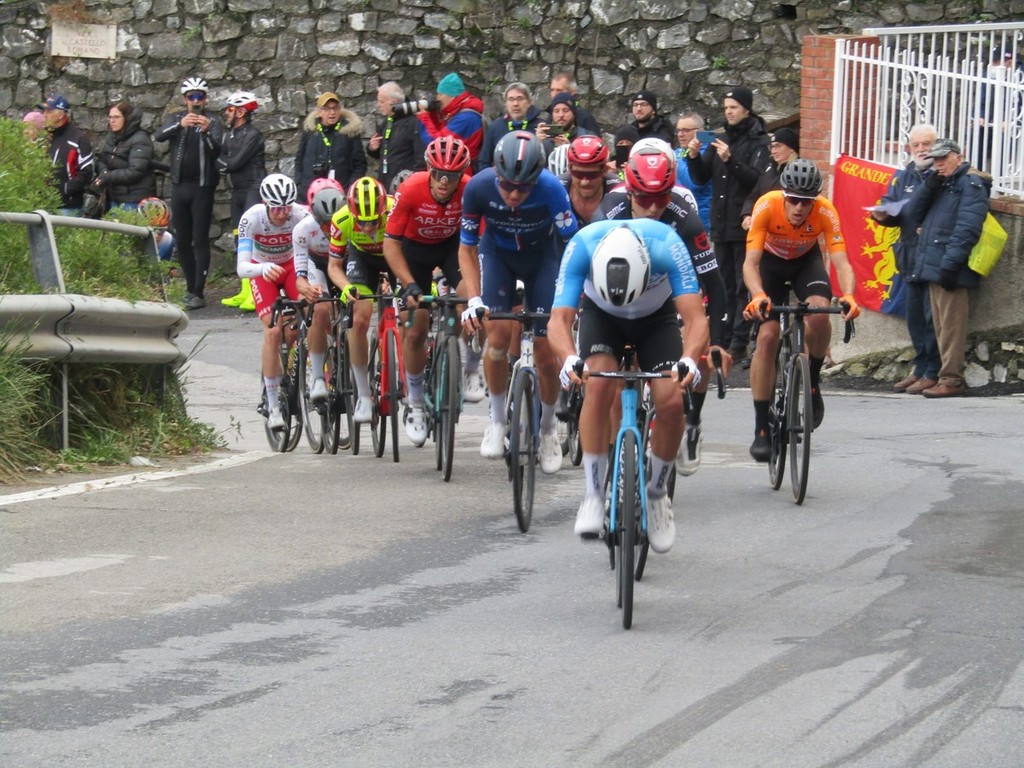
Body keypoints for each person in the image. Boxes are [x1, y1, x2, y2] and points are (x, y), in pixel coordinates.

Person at [548, 220, 708, 552]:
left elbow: (696, 319)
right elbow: (559, 319)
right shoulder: (582, 246)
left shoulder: (667, 245)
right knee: (597, 385)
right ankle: (593, 494)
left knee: (672, 401)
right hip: (601, 316)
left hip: (656, 319)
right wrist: (568, 357)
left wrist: (690, 359)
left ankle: (657, 493)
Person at [594, 140, 728, 476]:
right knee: (610, 385)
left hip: (663, 296)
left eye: (661, 197)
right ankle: (615, 462)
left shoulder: (684, 214)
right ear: (629, 191)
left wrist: (717, 342)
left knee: (678, 378)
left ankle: (685, 428)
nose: (654, 207)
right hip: (615, 301)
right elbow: (584, 273)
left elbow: (714, 283)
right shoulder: (609, 209)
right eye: (644, 198)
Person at [458, 131, 578, 471]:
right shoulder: (478, 188)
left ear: (536, 180)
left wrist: (573, 294)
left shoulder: (552, 189)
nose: (513, 194)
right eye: (507, 185)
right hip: (498, 257)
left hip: (543, 260)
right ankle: (497, 420)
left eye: (523, 188)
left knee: (546, 352)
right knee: (496, 340)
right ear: (496, 173)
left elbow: (574, 246)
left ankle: (548, 427)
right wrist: (474, 298)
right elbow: (466, 249)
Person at [742, 159, 861, 461]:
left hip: (805, 264)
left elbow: (841, 262)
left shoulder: (825, 212)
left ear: (815, 200)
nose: (799, 207)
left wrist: (849, 295)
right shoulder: (766, 205)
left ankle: (813, 380)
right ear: (784, 194)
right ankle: (761, 425)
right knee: (767, 337)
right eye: (793, 199)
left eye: (806, 201)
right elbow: (750, 264)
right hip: (769, 266)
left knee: (819, 313)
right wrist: (758, 295)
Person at [380, 137, 482, 446]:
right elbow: (390, 244)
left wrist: (476, 292)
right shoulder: (411, 188)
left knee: (471, 301)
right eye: (438, 174)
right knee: (417, 326)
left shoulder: (470, 190)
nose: (443, 181)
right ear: (428, 169)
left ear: (461, 175)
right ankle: (415, 402)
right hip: (414, 254)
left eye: (451, 176)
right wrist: (408, 283)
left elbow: (480, 243)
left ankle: (470, 368)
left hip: (452, 249)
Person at [685, 85, 772, 361]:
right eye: (725, 108)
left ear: (746, 109)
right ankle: (719, 337)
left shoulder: (759, 141)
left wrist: (730, 160)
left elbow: (756, 181)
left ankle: (739, 339)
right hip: (720, 224)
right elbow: (701, 178)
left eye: (733, 107)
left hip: (744, 222)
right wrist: (693, 156)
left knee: (742, 284)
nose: (729, 112)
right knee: (721, 283)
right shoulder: (719, 138)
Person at [900, 138, 990, 398]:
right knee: (939, 326)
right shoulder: (942, 182)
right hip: (934, 264)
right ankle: (942, 376)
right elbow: (912, 213)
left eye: (943, 158)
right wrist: (930, 184)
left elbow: (967, 228)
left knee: (950, 328)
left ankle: (951, 379)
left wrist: (950, 265)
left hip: (950, 266)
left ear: (959, 157)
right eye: (936, 160)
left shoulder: (970, 184)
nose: (938, 164)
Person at [234, 173, 314, 430]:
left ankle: (299, 367)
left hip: (291, 268)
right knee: (272, 331)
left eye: (287, 207)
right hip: (262, 270)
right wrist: (262, 268)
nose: (282, 214)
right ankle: (272, 404)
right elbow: (241, 267)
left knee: (308, 314)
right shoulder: (252, 218)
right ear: (266, 204)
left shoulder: (301, 214)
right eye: (277, 208)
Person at [870, 124, 940, 394]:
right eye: (916, 145)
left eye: (927, 144)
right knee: (915, 317)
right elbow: (892, 206)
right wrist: (882, 215)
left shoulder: (942, 173)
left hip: (933, 256)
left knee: (932, 317)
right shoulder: (904, 175)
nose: (921, 149)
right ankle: (920, 369)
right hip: (909, 255)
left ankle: (933, 371)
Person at [326, 176, 395, 424]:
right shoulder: (341, 219)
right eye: (362, 222)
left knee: (411, 308)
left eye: (374, 221)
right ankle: (364, 395)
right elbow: (334, 266)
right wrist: (346, 287)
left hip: (394, 252)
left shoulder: (396, 209)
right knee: (359, 320)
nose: (368, 228)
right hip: (362, 259)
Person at [154, 77, 223, 310]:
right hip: (179, 185)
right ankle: (189, 287)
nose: (196, 101)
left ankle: (198, 291)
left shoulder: (214, 121)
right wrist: (180, 125)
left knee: (199, 239)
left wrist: (206, 131)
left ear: (205, 99)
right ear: (185, 99)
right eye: (191, 97)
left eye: (199, 96)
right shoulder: (176, 119)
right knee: (182, 239)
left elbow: (218, 151)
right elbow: (159, 136)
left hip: (202, 187)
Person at [291, 177, 346, 405]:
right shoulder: (303, 229)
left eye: (333, 223)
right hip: (317, 265)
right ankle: (317, 378)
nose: (329, 229)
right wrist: (307, 289)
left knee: (353, 311)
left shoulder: (349, 223)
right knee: (321, 309)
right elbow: (300, 278)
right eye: (324, 224)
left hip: (342, 263)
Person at [218, 91, 266, 312]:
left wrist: (219, 162)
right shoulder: (230, 134)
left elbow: (233, 163)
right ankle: (245, 290)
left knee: (252, 241)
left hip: (253, 189)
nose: (226, 113)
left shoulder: (253, 134)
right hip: (238, 190)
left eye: (229, 109)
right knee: (240, 240)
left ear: (240, 112)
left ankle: (256, 292)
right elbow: (222, 159)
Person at [294, 91, 367, 203]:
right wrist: (299, 185)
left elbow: (360, 164)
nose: (332, 112)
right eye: (327, 109)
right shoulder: (310, 130)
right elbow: (299, 159)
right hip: (309, 194)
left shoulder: (349, 131)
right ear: (319, 112)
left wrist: (350, 189)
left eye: (335, 108)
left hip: (340, 194)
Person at [91, 100, 157, 213]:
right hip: (114, 197)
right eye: (110, 117)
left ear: (127, 118)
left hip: (133, 201)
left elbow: (135, 171)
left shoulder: (140, 139)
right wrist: (103, 171)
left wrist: (108, 177)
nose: (112, 121)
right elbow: (102, 159)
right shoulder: (113, 137)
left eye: (116, 117)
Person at [37, 94, 94, 215]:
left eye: (49, 111)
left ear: (60, 114)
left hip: (68, 206)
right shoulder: (44, 137)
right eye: (44, 111)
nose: (44, 115)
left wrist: (65, 189)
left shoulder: (78, 139)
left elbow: (87, 172)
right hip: (43, 204)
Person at [367, 81, 426, 192]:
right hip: (385, 184)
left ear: (393, 102)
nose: (378, 105)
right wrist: (372, 148)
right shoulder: (388, 121)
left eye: (381, 101)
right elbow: (382, 152)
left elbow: (420, 157)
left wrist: (415, 184)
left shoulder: (412, 121)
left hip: (404, 186)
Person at [415, 72, 486, 163]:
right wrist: (431, 114)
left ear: (452, 95)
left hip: (462, 168)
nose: (437, 98)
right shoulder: (456, 112)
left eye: (440, 94)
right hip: (455, 166)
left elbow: (438, 145)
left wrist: (424, 118)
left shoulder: (466, 118)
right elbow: (439, 132)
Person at [477, 82, 543, 171]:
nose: (515, 104)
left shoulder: (540, 127)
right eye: (511, 99)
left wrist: (539, 143)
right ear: (505, 103)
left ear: (529, 102)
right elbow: (484, 161)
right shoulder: (495, 127)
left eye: (520, 98)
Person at [741, 126, 800, 225]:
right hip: (763, 226)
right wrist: (747, 215)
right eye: (772, 147)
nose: (773, 151)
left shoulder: (799, 172)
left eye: (778, 146)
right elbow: (754, 195)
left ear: (791, 148)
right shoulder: (769, 168)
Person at [558, 135, 618, 225]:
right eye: (578, 174)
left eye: (592, 175)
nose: (585, 182)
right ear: (570, 170)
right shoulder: (557, 189)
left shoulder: (618, 190)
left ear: (605, 170)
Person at [674, 112, 712, 232]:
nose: (680, 134)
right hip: (680, 219)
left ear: (699, 132)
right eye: (678, 130)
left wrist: (674, 162)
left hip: (702, 223)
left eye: (685, 130)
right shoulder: (678, 152)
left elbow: (693, 184)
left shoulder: (709, 151)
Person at [548, 70, 601, 134]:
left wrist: (568, 140)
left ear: (572, 92)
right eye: (552, 90)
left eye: (559, 90)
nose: (554, 94)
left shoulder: (583, 116)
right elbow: (553, 137)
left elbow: (595, 139)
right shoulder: (550, 114)